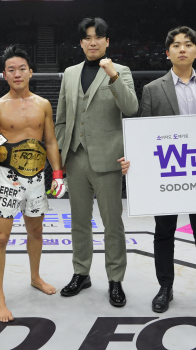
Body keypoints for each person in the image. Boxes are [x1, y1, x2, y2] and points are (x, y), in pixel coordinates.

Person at [121, 26, 196, 314]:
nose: (182, 49)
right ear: (167, 53)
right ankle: (165, 287)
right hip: (168, 173)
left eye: (188, 45)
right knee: (164, 232)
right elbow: (144, 133)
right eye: (176, 45)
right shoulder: (152, 89)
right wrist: (133, 160)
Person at [0, 45, 65, 322]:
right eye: (11, 70)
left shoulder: (43, 104)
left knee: (36, 232)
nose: (17, 74)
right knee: (1, 237)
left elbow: (50, 141)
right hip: (6, 177)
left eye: (22, 68)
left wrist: (58, 173)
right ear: (4, 74)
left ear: (31, 72)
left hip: (37, 177)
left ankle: (36, 277)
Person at [55, 17, 138, 307]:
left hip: (108, 158)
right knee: (79, 222)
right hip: (75, 157)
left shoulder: (121, 71)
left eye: (98, 37)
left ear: (107, 41)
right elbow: (62, 119)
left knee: (112, 223)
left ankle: (115, 279)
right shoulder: (69, 73)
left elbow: (131, 108)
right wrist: (61, 159)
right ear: (81, 42)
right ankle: (82, 273)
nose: (93, 42)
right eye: (87, 37)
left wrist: (113, 76)